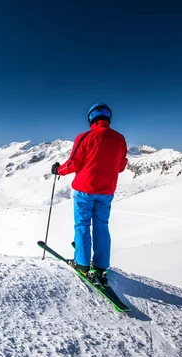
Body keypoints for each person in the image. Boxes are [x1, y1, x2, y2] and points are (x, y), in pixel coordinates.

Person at [50, 103, 127, 286]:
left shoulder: (85, 137)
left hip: (84, 190)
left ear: (91, 118)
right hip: (106, 191)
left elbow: (73, 164)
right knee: (101, 226)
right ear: (108, 118)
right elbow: (121, 166)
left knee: (82, 225)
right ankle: (101, 267)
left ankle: (82, 264)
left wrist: (57, 170)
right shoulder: (120, 139)